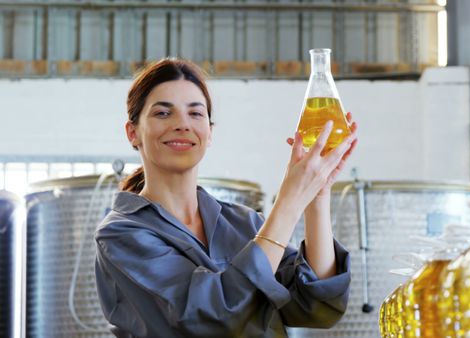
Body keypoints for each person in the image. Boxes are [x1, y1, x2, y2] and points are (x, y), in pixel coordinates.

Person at [94, 58, 358, 338]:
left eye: (195, 114)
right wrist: (289, 201)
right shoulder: (121, 234)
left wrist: (317, 196)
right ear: (133, 133)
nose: (182, 124)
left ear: (209, 133)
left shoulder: (243, 223)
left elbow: (316, 305)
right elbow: (213, 319)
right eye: (162, 113)